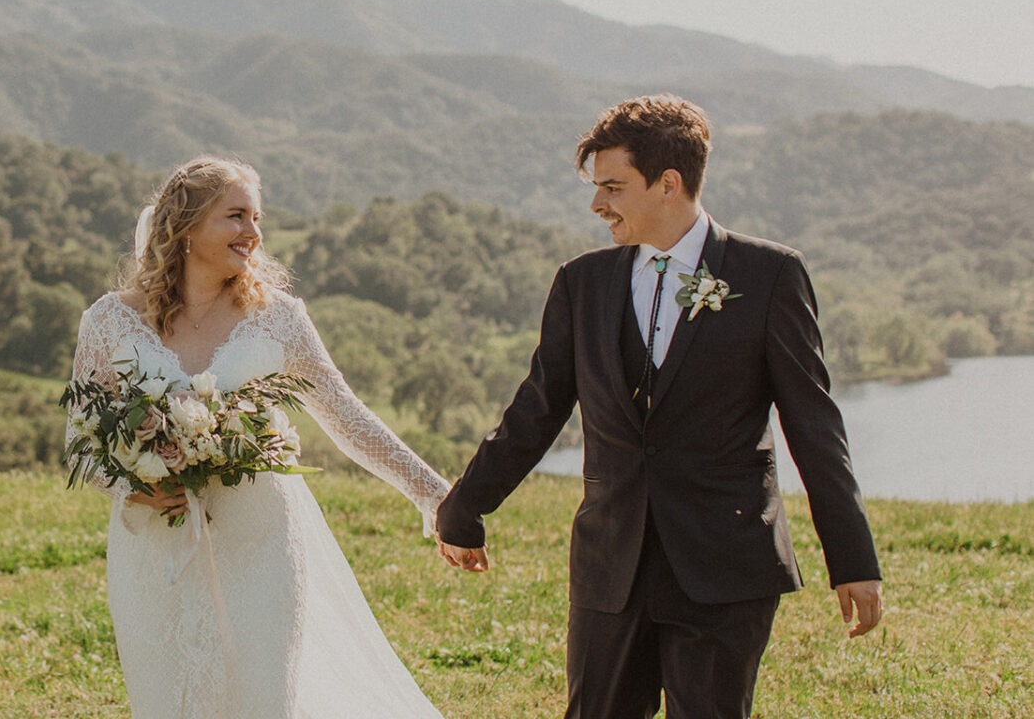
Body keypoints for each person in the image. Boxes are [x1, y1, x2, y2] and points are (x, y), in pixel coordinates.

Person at [435, 95, 883, 719]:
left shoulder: (770, 274)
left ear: (668, 183)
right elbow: (537, 409)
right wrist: (464, 506)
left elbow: (814, 426)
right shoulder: (581, 283)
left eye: (614, 187)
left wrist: (852, 559)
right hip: (610, 564)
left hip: (724, 566)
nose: (598, 205)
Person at [66, 155, 449, 718]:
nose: (254, 232)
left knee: (268, 700)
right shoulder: (108, 321)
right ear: (187, 225)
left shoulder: (279, 318)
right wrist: (134, 487)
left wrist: (434, 493)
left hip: (262, 542)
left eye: (257, 217)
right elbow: (80, 441)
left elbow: (346, 417)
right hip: (155, 548)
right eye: (236, 216)